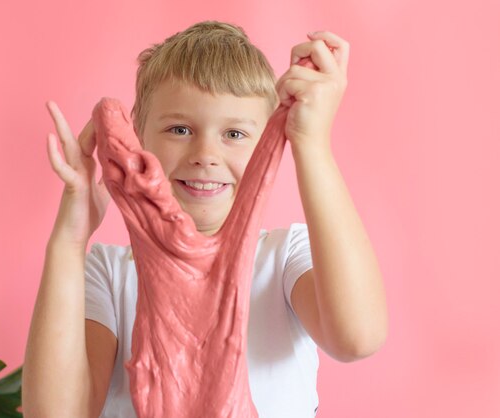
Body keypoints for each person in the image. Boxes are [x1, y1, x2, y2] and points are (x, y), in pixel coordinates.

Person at [22, 21, 388, 418]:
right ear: (140, 138)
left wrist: (311, 143)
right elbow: (56, 414)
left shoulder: (284, 257)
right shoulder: (108, 275)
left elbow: (357, 337)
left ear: (268, 140)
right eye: (180, 129)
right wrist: (70, 238)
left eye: (234, 134)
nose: (205, 154)